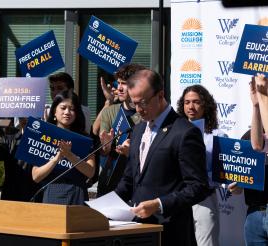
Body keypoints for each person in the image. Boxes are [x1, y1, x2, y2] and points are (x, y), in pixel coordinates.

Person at [114, 69, 210, 246]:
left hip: (171, 232)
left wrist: (159, 204)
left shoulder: (184, 132)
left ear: (160, 95)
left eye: (142, 103)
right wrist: (98, 208)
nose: (138, 110)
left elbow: (198, 186)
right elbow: (129, 180)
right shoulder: (138, 130)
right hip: (138, 233)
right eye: (134, 103)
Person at [176, 85, 227, 246]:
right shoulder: (173, 132)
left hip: (204, 197)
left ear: (205, 105)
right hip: (177, 197)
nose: (191, 107)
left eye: (196, 102)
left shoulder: (218, 136)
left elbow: (225, 172)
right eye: (187, 102)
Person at [32, 90, 96, 205]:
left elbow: (90, 172)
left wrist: (69, 155)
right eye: (63, 108)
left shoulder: (84, 139)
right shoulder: (44, 136)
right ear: (54, 112)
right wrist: (57, 158)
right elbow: (36, 176)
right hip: (52, 192)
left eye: (72, 109)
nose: (67, 112)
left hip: (78, 194)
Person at [228, 77, 268, 246]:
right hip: (254, 216)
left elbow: (259, 146)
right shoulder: (246, 138)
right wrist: (237, 184)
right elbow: (237, 189)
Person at [95, 64, 145, 196]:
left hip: (136, 180)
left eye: (125, 84)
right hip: (110, 179)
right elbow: (103, 151)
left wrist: (131, 152)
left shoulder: (147, 114)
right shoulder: (110, 112)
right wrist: (106, 145)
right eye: (118, 83)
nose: (120, 88)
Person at [0, 115, 40, 201]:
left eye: (30, 116)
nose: (25, 119)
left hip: (34, 194)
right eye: (22, 116)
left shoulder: (42, 142)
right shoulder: (11, 139)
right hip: (11, 194)